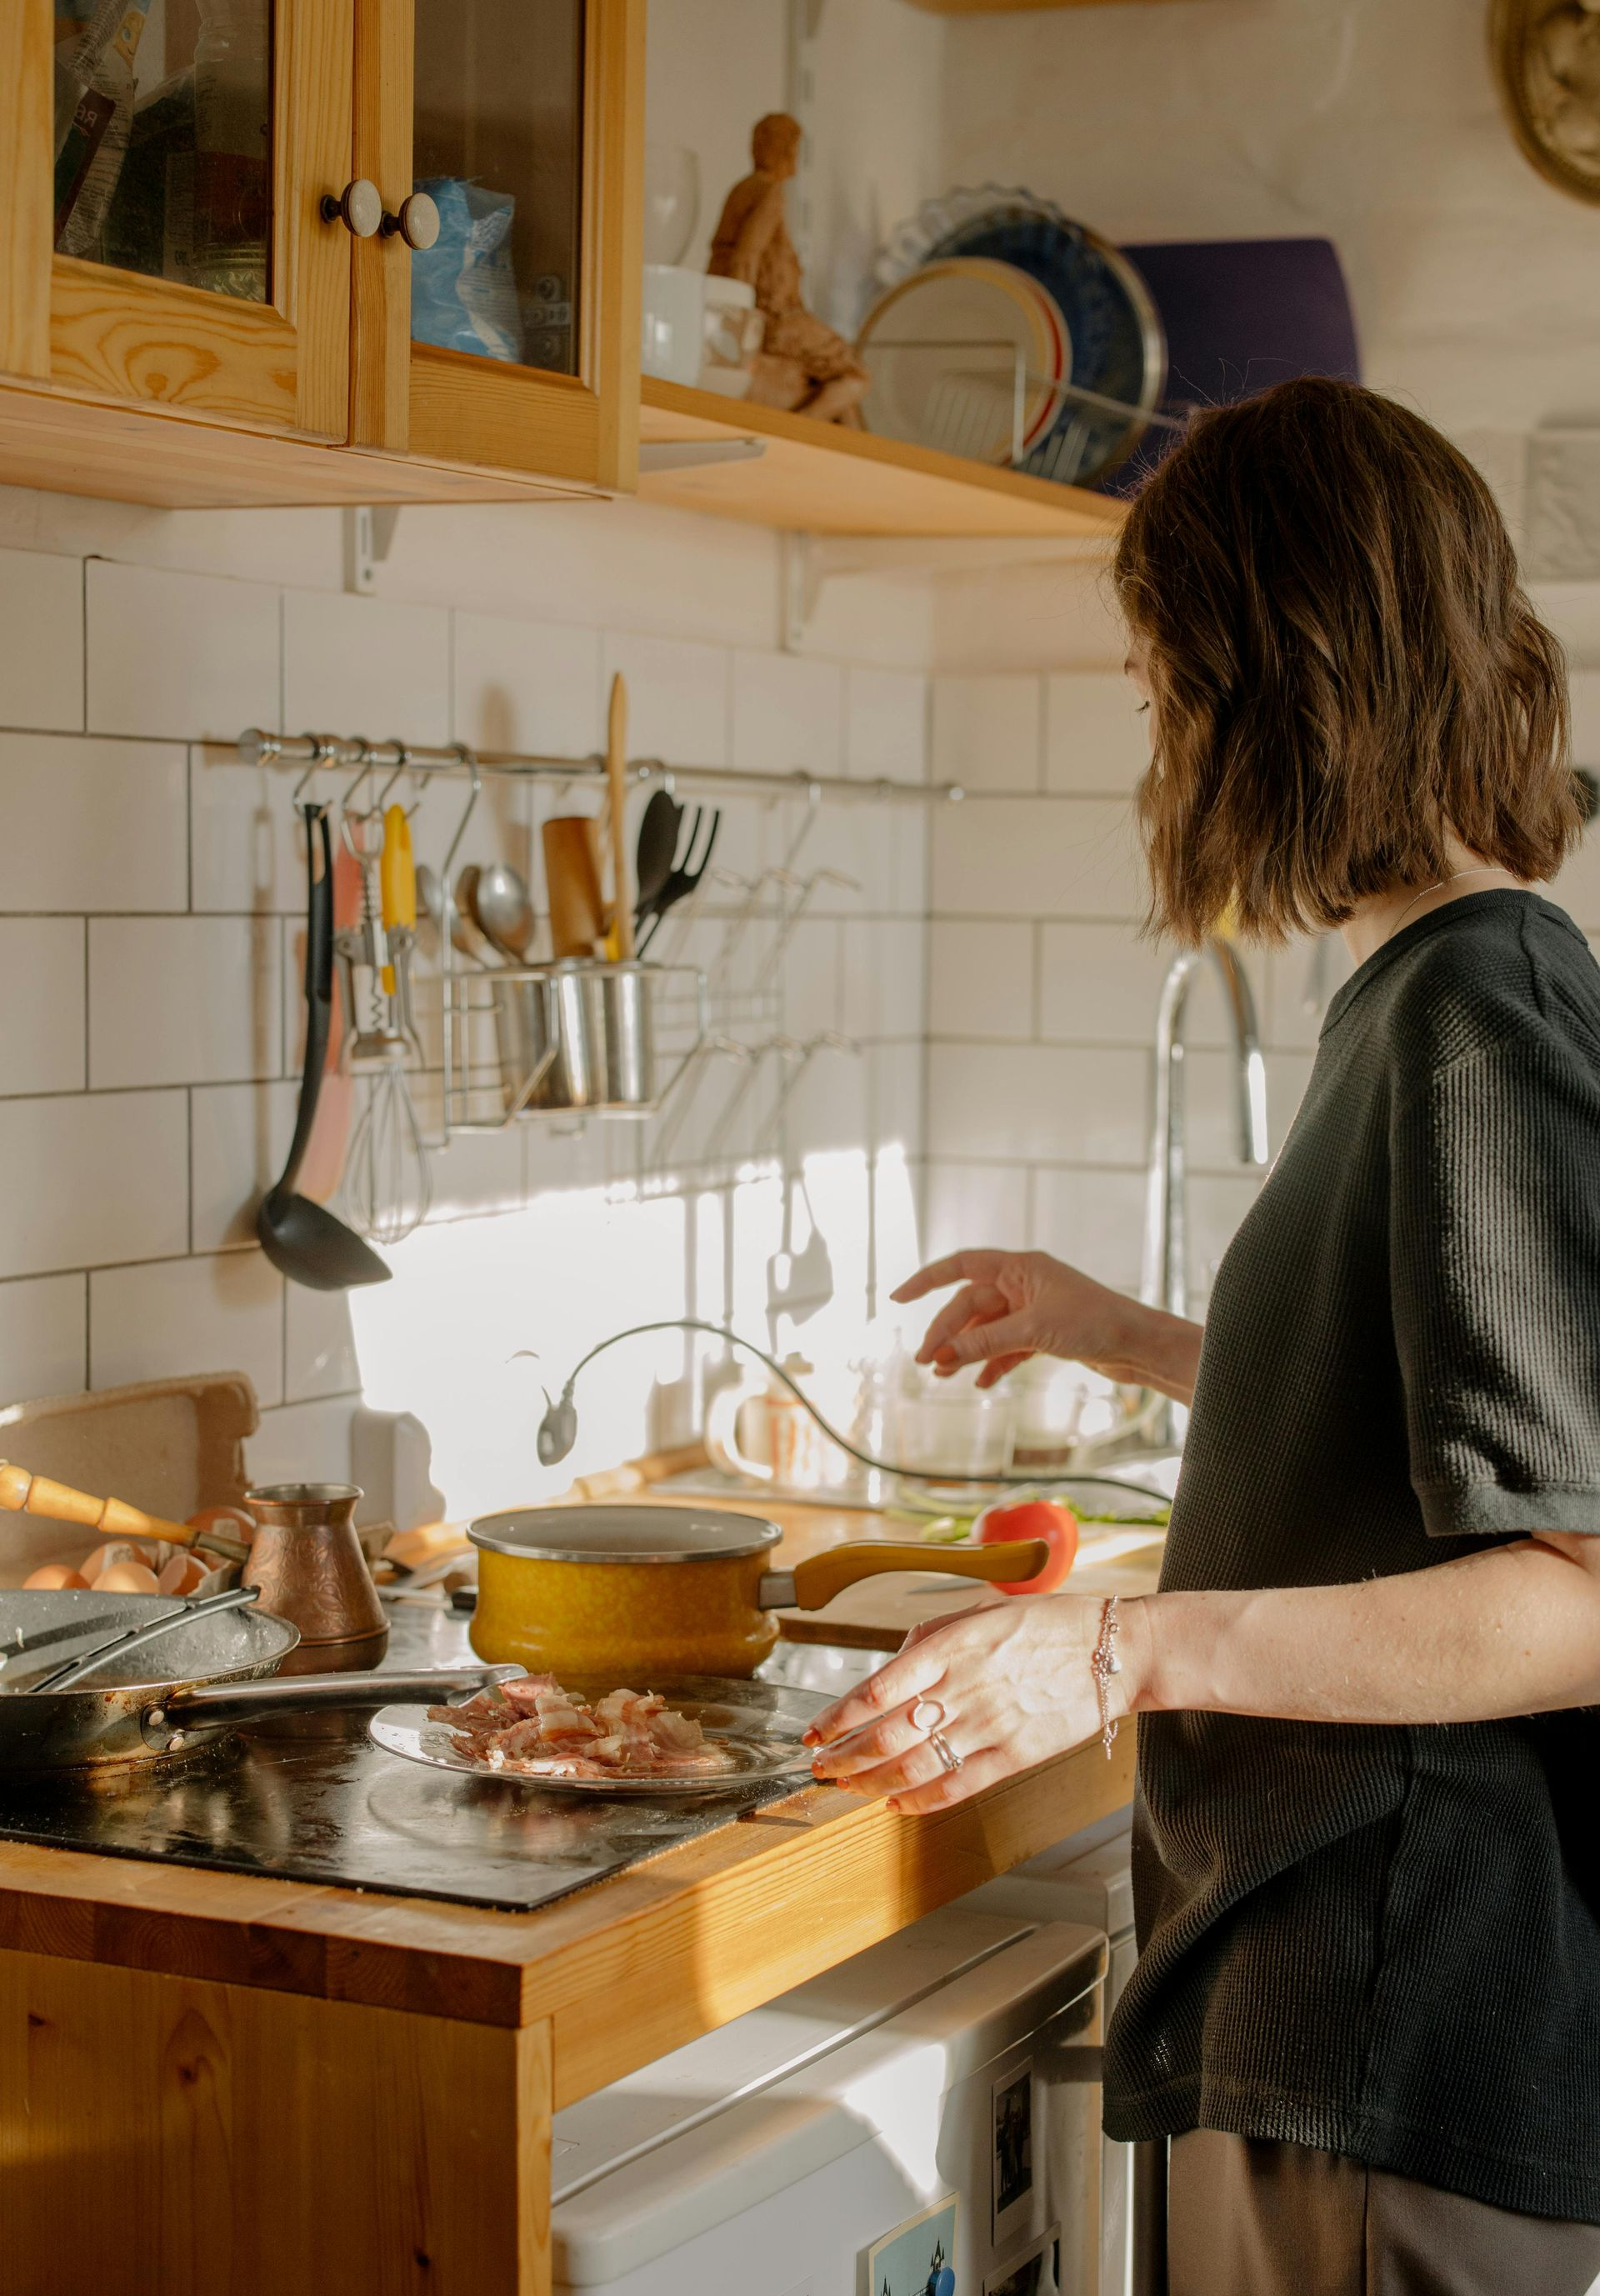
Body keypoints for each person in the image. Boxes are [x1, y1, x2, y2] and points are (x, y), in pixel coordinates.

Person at [805, 378, 1600, 2295]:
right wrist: (1136, 1334)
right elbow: (1417, 1421)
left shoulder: (1470, 1027)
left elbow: (1577, 1587)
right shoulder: (1444, 985)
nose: (1159, 738)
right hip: (1347, 2006)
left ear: (1281, 690)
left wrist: (1114, 1650)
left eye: (1170, 688)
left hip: (1386, 2022)